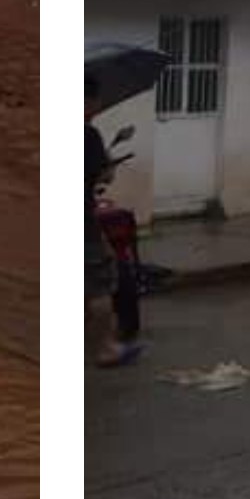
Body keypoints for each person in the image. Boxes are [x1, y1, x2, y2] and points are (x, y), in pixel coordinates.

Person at [89, 123, 146, 368]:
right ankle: (105, 349)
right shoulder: (87, 133)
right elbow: (105, 176)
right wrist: (108, 161)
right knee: (98, 286)